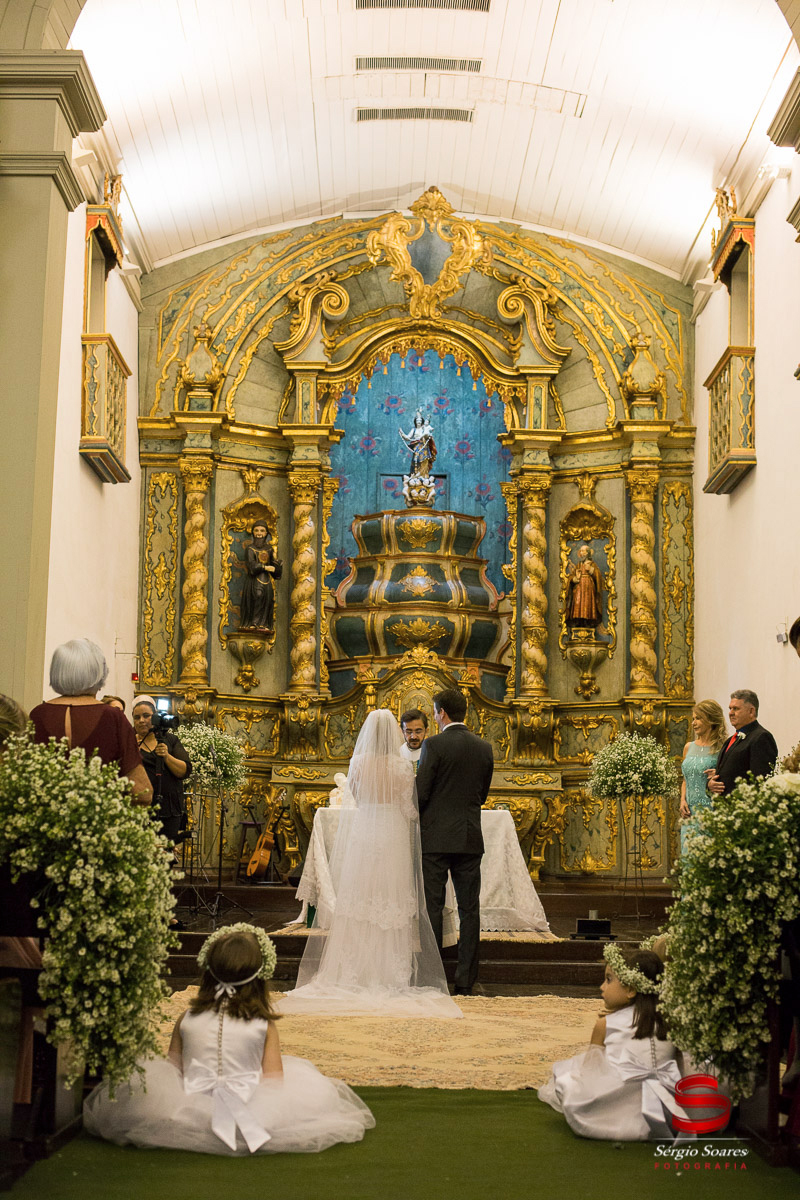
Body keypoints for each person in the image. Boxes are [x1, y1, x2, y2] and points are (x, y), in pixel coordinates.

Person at [83, 924, 374, 1155]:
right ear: (260, 977)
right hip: (251, 1103)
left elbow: (174, 1069)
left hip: (190, 1104)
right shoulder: (262, 1024)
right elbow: (274, 1080)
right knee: (306, 1099)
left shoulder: (186, 1018)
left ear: (208, 972)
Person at [280, 709, 461, 1017]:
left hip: (365, 833)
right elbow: (410, 810)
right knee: (391, 899)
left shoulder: (358, 763)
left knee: (362, 898)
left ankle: (354, 970)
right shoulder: (402, 767)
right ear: (395, 733)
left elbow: (358, 798)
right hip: (392, 836)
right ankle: (391, 973)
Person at [538, 946, 684, 1140]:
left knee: (567, 1079)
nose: (602, 987)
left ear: (631, 989)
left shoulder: (605, 1024)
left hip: (607, 1115)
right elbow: (681, 1070)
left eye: (608, 979)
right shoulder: (671, 1022)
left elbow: (588, 1073)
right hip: (664, 1113)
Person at [416, 688, 494, 997]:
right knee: (469, 910)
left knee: (432, 907)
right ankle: (465, 981)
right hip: (468, 835)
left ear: (442, 713)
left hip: (435, 838)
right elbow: (482, 794)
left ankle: (433, 979)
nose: (435, 717)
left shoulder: (433, 745)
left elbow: (421, 793)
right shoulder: (484, 748)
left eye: (435, 713)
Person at [30, 639, 151, 805]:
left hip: (45, 821)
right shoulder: (113, 718)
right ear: (97, 674)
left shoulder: (38, 714)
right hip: (99, 822)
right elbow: (142, 792)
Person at [132, 696, 192, 843]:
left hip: (169, 809)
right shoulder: (129, 742)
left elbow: (185, 771)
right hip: (139, 808)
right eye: (137, 717)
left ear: (156, 717)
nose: (141, 720)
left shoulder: (170, 740)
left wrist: (166, 756)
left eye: (146, 716)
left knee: (165, 855)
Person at [706, 689, 778, 798]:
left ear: (751, 711)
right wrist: (711, 785)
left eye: (736, 709)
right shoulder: (730, 740)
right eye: (730, 709)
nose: (730, 713)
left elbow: (760, 782)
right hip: (723, 808)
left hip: (742, 809)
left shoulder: (761, 737)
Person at [679, 700, 726, 855]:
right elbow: (685, 779)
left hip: (710, 813)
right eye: (693, 718)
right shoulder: (688, 747)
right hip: (689, 814)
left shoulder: (722, 747)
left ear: (711, 720)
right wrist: (682, 801)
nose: (694, 723)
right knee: (688, 860)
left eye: (698, 718)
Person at [239, 522, 282, 631]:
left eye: (262, 531)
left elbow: (276, 573)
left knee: (267, 600)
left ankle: (264, 624)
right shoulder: (250, 549)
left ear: (266, 533)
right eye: (256, 530)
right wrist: (265, 567)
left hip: (266, 582)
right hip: (253, 581)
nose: (259, 533)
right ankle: (253, 623)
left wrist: (277, 566)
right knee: (257, 596)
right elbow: (252, 566)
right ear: (253, 532)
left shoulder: (269, 549)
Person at [565, 543, 603, 629]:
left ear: (587, 553)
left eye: (583, 551)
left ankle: (587, 621)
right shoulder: (578, 565)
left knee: (588, 602)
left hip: (588, 588)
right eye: (580, 551)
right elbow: (571, 577)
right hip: (579, 587)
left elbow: (598, 576)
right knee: (578, 602)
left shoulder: (592, 564)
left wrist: (591, 570)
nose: (581, 553)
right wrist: (575, 578)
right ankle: (578, 620)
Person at [399, 707, 427, 772]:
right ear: (402, 731)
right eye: (409, 732)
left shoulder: (432, 754)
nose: (413, 737)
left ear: (426, 731)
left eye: (418, 731)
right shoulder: (397, 754)